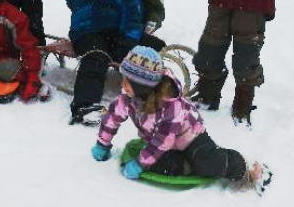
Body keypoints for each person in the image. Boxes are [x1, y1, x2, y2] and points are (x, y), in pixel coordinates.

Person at [90, 46, 273, 195]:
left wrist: (139, 163)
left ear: (142, 85)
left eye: (127, 81)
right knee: (161, 165)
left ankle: (246, 167)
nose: (122, 85)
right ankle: (184, 165)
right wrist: (102, 144)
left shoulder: (171, 105)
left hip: (191, 138)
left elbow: (163, 140)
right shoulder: (128, 99)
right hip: (165, 145)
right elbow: (111, 118)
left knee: (208, 163)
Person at [64, 0, 143, 125]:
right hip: (87, 31)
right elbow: (72, 0)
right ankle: (84, 105)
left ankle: (151, 93)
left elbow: (133, 11)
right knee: (96, 55)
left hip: (115, 32)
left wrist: (129, 37)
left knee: (147, 49)